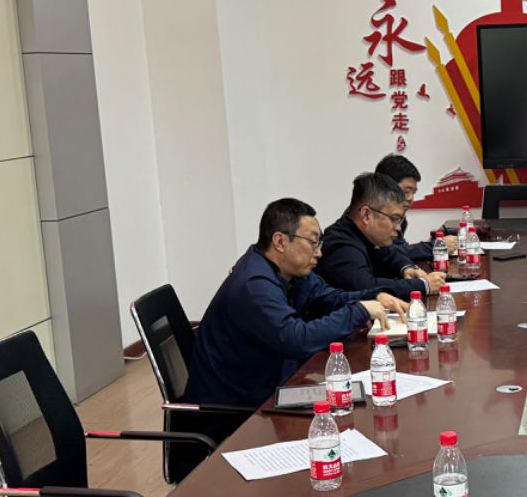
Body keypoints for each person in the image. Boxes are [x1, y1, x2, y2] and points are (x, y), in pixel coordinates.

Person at [185, 198, 407, 410]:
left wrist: (374, 297)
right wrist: (358, 311)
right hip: (237, 410)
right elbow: (296, 338)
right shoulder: (254, 284)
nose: (319, 252)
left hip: (272, 385)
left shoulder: (291, 272)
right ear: (280, 242)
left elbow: (328, 298)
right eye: (313, 242)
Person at [319, 172, 445, 299]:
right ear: (366, 215)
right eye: (394, 219)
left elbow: (389, 254)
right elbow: (366, 287)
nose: (398, 228)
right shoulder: (340, 245)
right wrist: (423, 285)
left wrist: (406, 269)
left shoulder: (364, 235)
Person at [375, 152, 456, 266]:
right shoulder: (372, 216)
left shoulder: (398, 218)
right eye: (406, 192)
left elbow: (401, 249)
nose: (410, 198)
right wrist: (435, 247)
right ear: (385, 188)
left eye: (413, 193)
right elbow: (386, 254)